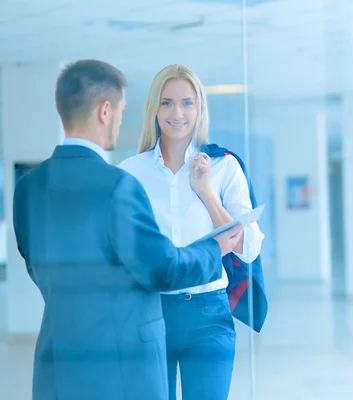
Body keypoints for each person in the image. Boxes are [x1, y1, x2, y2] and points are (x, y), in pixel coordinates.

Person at [12, 59, 244, 400]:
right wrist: (216, 249)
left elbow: (35, 264)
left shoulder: (27, 186)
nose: (121, 120)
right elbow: (161, 267)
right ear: (105, 111)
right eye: (121, 110)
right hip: (121, 351)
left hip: (57, 351)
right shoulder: (121, 182)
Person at [118, 64, 265, 400]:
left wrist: (207, 193)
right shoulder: (130, 174)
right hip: (148, 315)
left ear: (200, 109)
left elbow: (249, 247)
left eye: (187, 103)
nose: (177, 113)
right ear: (154, 108)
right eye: (167, 102)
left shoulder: (223, 167)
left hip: (208, 314)